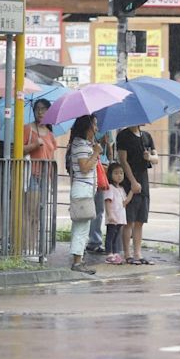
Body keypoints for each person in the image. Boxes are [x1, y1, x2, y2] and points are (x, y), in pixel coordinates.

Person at [117, 125, 158, 265]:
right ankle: (127, 253)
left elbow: (156, 158)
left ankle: (138, 253)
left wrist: (150, 157)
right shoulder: (123, 135)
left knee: (140, 219)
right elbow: (123, 160)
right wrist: (133, 182)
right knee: (129, 219)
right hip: (130, 181)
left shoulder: (146, 136)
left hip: (144, 179)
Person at [68, 114, 102, 274]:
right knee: (82, 227)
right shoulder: (81, 145)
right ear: (87, 126)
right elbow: (84, 167)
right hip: (82, 189)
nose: (96, 128)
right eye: (94, 125)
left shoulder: (82, 144)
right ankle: (77, 262)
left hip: (84, 189)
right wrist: (95, 153)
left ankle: (78, 259)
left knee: (81, 226)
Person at [23, 99, 58, 252]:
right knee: (30, 213)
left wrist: (51, 178)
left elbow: (51, 157)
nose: (40, 112)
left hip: (45, 178)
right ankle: (27, 247)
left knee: (38, 215)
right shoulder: (27, 129)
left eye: (44, 109)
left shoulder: (50, 134)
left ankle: (34, 246)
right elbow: (19, 150)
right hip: (31, 175)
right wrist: (34, 145)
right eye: (37, 109)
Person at [86, 130, 114, 254]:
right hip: (91, 167)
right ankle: (83, 240)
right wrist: (96, 145)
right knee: (86, 207)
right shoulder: (86, 130)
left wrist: (107, 144)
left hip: (103, 169)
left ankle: (95, 241)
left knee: (99, 208)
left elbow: (110, 156)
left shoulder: (107, 130)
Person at [103, 162, 133, 265]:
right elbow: (107, 201)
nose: (119, 175)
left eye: (121, 173)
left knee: (116, 236)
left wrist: (131, 192)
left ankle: (115, 253)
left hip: (120, 217)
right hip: (113, 217)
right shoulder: (110, 187)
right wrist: (110, 214)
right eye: (116, 173)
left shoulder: (121, 189)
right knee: (110, 235)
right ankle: (109, 254)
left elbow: (124, 203)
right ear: (110, 174)